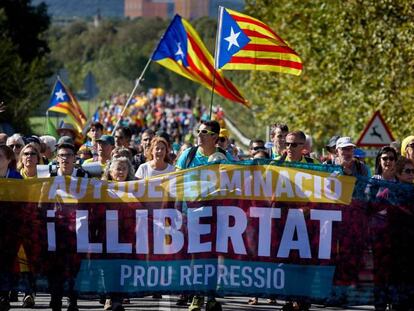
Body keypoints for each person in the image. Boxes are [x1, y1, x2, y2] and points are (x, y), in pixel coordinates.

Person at [175, 120, 229, 311]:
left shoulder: (224, 156)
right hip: (189, 212)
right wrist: (177, 211)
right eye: (198, 131)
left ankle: (211, 296)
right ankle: (196, 295)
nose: (199, 135)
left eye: (204, 132)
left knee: (212, 257)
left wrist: (221, 165)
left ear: (215, 137)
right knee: (195, 256)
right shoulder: (188, 155)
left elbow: (234, 182)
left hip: (215, 213)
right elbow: (176, 181)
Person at [0, 145, 22, 311]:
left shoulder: (16, 178)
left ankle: (4, 296)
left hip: (10, 228)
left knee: (7, 262)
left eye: (0, 157)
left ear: (8, 160)